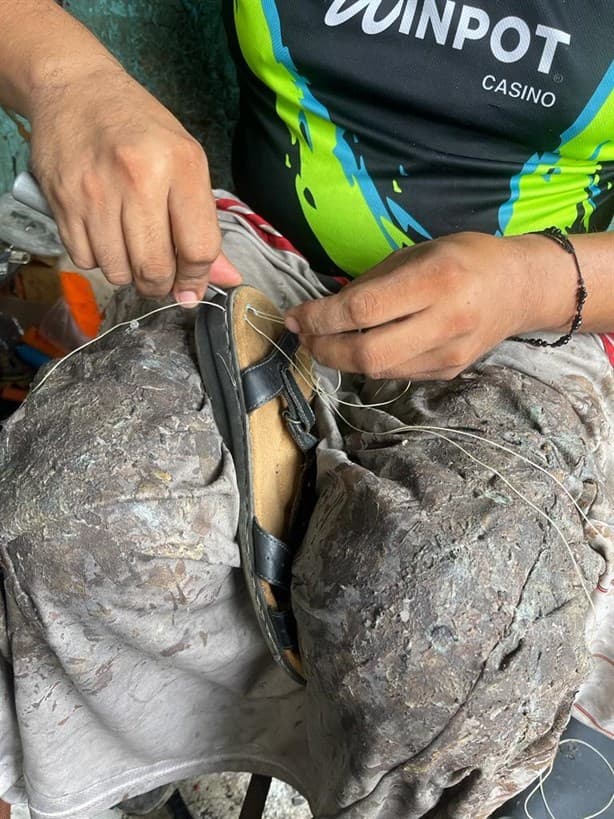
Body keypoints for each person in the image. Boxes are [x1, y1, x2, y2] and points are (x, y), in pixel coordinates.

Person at [0, 2, 612, 817]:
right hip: (261, 265)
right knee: (81, 502)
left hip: (537, 307)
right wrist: (69, 79)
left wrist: (533, 283)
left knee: (453, 628)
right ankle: (127, 793)